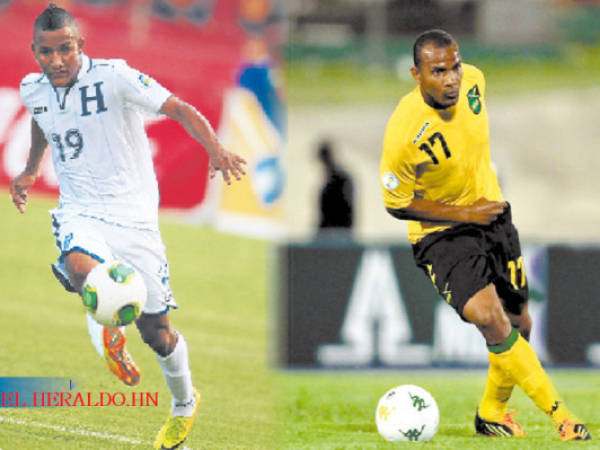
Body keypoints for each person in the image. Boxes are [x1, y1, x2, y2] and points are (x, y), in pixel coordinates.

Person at [9, 4, 246, 449]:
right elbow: (45, 124)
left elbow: (177, 107)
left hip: (136, 220)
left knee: (158, 334)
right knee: (79, 267)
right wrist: (29, 169)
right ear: (35, 50)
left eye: (65, 49)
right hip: (81, 209)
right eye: (47, 52)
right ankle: (105, 325)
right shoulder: (32, 89)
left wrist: (215, 148)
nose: (57, 60)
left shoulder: (115, 77)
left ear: (80, 45)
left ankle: (183, 404)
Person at [379, 29, 590, 441]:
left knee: (518, 323)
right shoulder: (402, 133)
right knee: (487, 316)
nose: (452, 78)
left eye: (455, 66)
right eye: (439, 71)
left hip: (492, 217)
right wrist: (461, 212)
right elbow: (396, 202)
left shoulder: (476, 81)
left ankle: (492, 412)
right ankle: (561, 417)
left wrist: (480, 206)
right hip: (441, 233)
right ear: (416, 74)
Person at [316, 140, 354, 234]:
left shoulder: (341, 179)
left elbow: (345, 210)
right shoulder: (333, 179)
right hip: (332, 233)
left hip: (339, 233)